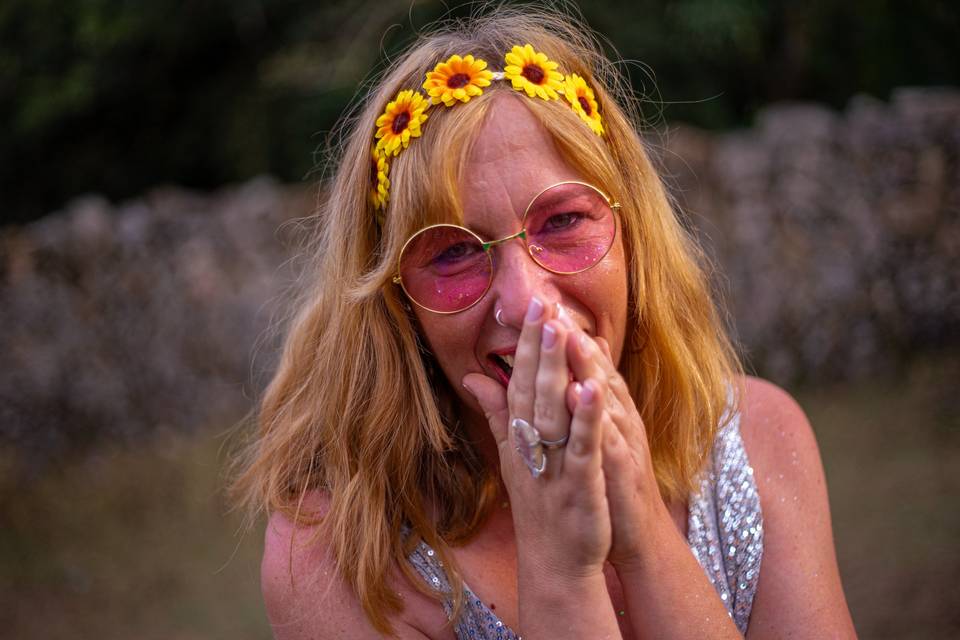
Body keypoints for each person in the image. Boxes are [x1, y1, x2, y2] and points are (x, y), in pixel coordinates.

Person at [233, 6, 857, 639]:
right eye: (453, 253)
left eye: (562, 222)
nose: (527, 302)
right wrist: (561, 568)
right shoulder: (335, 559)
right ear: (397, 305)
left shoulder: (760, 439)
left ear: (632, 232)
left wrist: (639, 531)